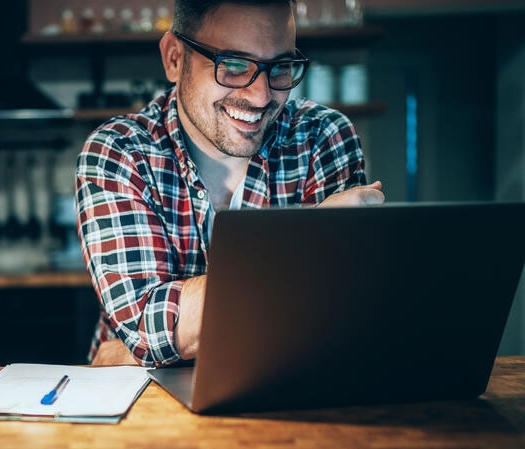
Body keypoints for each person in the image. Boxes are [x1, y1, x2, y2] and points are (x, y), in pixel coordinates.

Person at [74, 0, 385, 367]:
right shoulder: (120, 151)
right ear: (174, 58)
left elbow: (339, 320)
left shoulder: (325, 137)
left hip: (286, 395)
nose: (262, 96)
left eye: (280, 68)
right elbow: (148, 326)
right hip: (145, 410)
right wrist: (309, 244)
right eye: (234, 66)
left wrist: (140, 349)